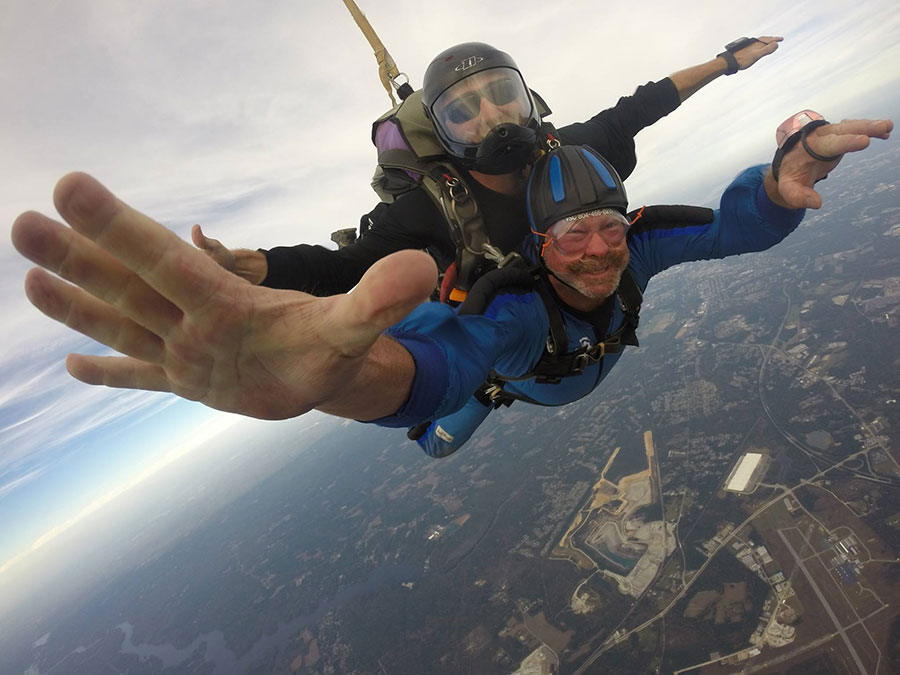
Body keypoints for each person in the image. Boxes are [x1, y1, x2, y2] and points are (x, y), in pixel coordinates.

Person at [11, 115, 891, 443]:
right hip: (511, 376)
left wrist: (777, 189)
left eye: (607, 228)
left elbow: (729, 228)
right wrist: (339, 380)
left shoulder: (639, 249)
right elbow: (435, 369)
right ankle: (435, 430)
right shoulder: (511, 309)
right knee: (447, 409)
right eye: (569, 236)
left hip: (555, 368)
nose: (596, 252)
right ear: (535, 247)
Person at [192, 38, 783, 296]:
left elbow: (644, 104)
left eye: (503, 94)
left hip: (592, 279)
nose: (493, 116)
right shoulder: (429, 210)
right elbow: (341, 269)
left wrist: (727, 61)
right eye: (463, 110)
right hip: (510, 315)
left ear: (530, 101)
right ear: (444, 134)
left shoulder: (573, 148)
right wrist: (252, 265)